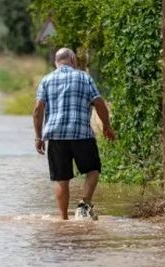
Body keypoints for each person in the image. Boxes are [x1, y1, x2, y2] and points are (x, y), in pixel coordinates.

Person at [33, 48, 116, 221]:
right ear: (72, 59)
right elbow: (99, 103)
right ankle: (83, 205)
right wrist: (107, 126)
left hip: (56, 136)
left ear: (56, 62)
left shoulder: (46, 80)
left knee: (61, 179)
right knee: (93, 170)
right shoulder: (84, 77)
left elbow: (37, 110)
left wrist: (38, 137)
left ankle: (63, 220)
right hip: (81, 134)